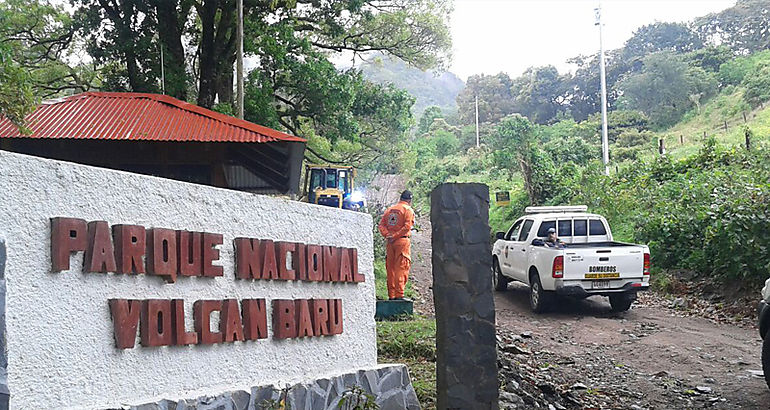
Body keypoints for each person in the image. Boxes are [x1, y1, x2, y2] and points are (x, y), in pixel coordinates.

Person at [378, 190, 415, 300]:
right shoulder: (408, 210)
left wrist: (388, 235)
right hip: (402, 242)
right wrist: (396, 235)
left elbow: (381, 225)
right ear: (409, 200)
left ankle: (391, 295)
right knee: (401, 267)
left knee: (391, 268)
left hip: (390, 243)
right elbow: (407, 227)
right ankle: (399, 295)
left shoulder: (389, 210)